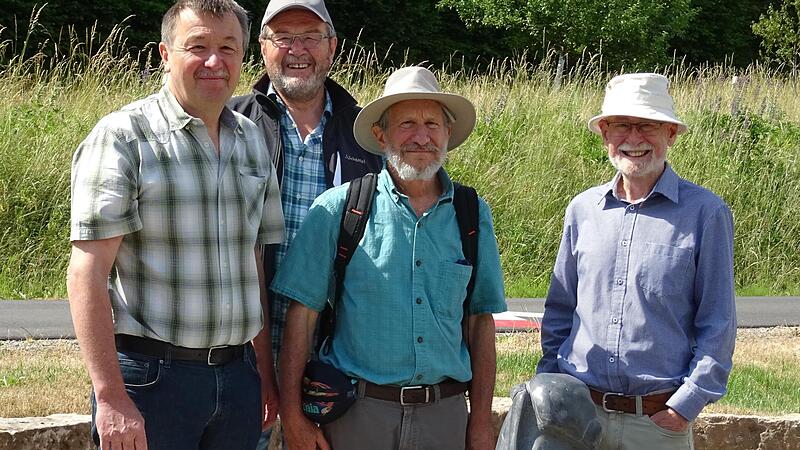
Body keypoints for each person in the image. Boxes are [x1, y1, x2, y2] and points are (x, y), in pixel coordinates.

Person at [67, 1, 284, 448]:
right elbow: (86, 272)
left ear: (243, 56)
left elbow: (253, 263)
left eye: (228, 47)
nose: (214, 61)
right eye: (197, 46)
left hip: (237, 377)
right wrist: (110, 398)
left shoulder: (252, 141)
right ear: (165, 55)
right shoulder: (124, 137)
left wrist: (261, 371)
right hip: (153, 382)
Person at [272, 66, 507, 450]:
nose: (421, 136)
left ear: (448, 134)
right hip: (358, 418)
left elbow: (481, 322)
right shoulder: (339, 209)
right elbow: (302, 317)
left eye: (432, 123)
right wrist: (294, 416)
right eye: (407, 123)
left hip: (444, 418)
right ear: (381, 136)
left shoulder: (472, 214)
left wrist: (480, 421)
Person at [536, 73, 736, 449]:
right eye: (622, 125)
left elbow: (718, 324)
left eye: (648, 125)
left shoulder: (706, 213)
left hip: (657, 425)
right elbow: (560, 308)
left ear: (671, 134)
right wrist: (548, 381)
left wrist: (684, 407)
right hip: (577, 418)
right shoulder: (583, 210)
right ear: (605, 133)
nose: (634, 138)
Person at [228, 0, 382, 366]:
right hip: (239, 351)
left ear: (333, 46)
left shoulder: (367, 134)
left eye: (311, 37)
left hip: (334, 354)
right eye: (283, 37)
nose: (297, 50)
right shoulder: (227, 123)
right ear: (262, 47)